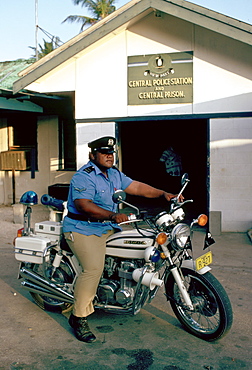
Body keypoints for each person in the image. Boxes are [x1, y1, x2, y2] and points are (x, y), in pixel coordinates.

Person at [63, 136, 181, 343]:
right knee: (93, 269)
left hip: (108, 226)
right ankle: (78, 317)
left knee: (142, 243)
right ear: (93, 155)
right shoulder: (84, 176)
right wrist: (111, 215)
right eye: (104, 152)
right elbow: (83, 205)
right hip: (84, 228)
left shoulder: (114, 174)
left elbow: (136, 187)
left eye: (111, 153)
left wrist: (163, 194)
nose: (109, 156)